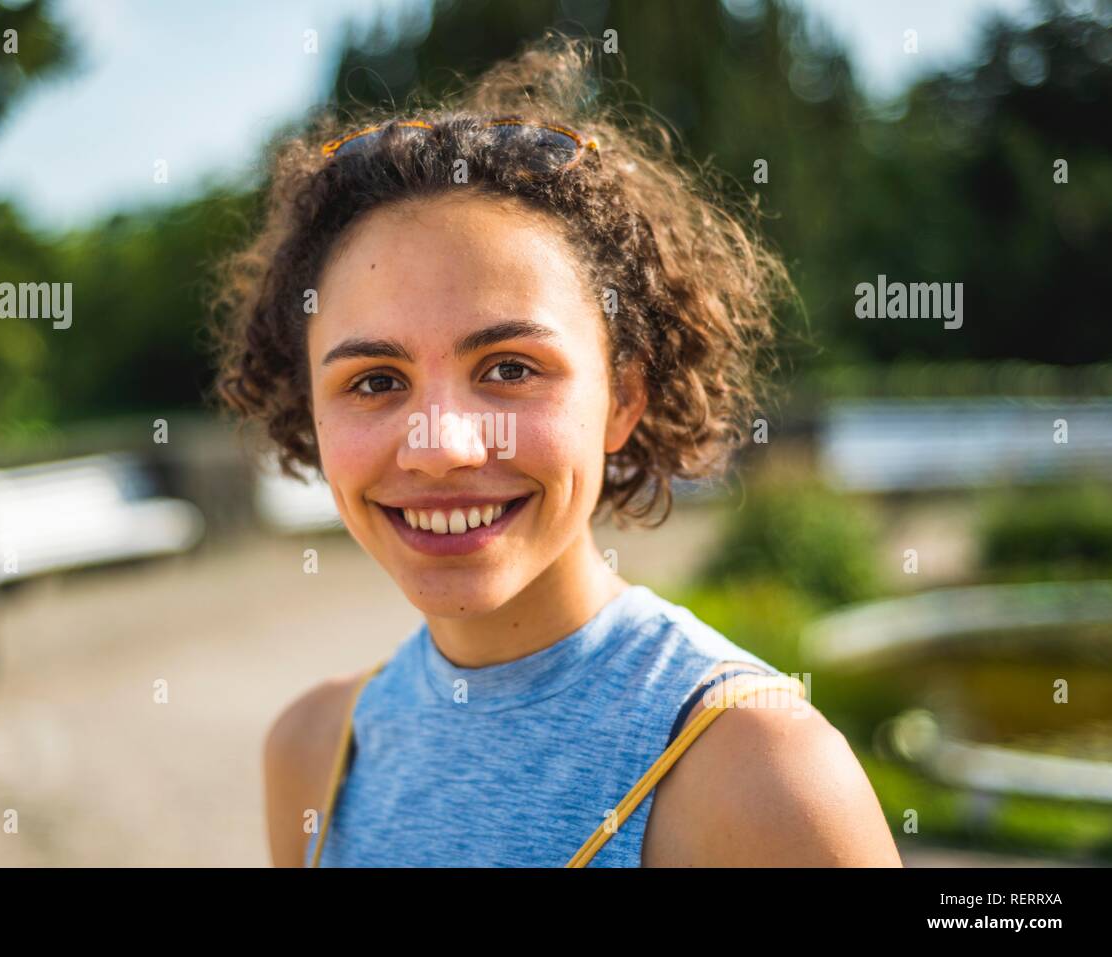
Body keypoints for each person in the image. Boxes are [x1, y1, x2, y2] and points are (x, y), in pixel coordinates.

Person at [215, 34, 902, 867]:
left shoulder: (763, 776)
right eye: (374, 381)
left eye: (508, 368)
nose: (441, 448)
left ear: (625, 397)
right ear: (309, 411)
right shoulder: (312, 753)